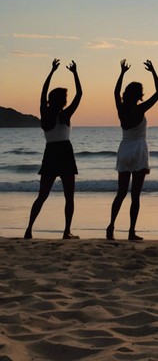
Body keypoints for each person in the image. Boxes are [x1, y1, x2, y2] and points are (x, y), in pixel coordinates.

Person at [25, 59, 82, 239]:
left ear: (50, 100)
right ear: (63, 100)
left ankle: (29, 230)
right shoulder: (64, 115)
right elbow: (80, 94)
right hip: (64, 152)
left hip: (50, 153)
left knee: (42, 196)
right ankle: (66, 232)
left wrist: (51, 71)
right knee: (69, 197)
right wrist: (75, 73)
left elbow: (43, 93)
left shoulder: (45, 113)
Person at [106, 59, 158, 241]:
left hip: (124, 150)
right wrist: (153, 71)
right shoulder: (141, 109)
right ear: (139, 95)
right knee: (135, 195)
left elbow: (115, 92)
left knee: (121, 192)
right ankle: (131, 231)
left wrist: (122, 72)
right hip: (138, 150)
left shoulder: (121, 109)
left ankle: (111, 226)